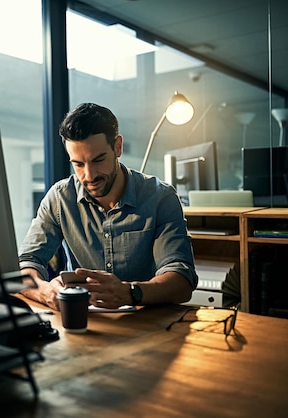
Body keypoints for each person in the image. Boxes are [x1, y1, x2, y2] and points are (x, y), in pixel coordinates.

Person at [18, 103, 198, 311]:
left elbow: (182, 282)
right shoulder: (60, 198)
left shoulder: (160, 197)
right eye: (78, 164)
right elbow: (26, 264)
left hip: (146, 324)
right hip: (85, 325)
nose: (89, 175)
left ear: (118, 147)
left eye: (98, 160)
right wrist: (45, 291)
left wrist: (130, 293)